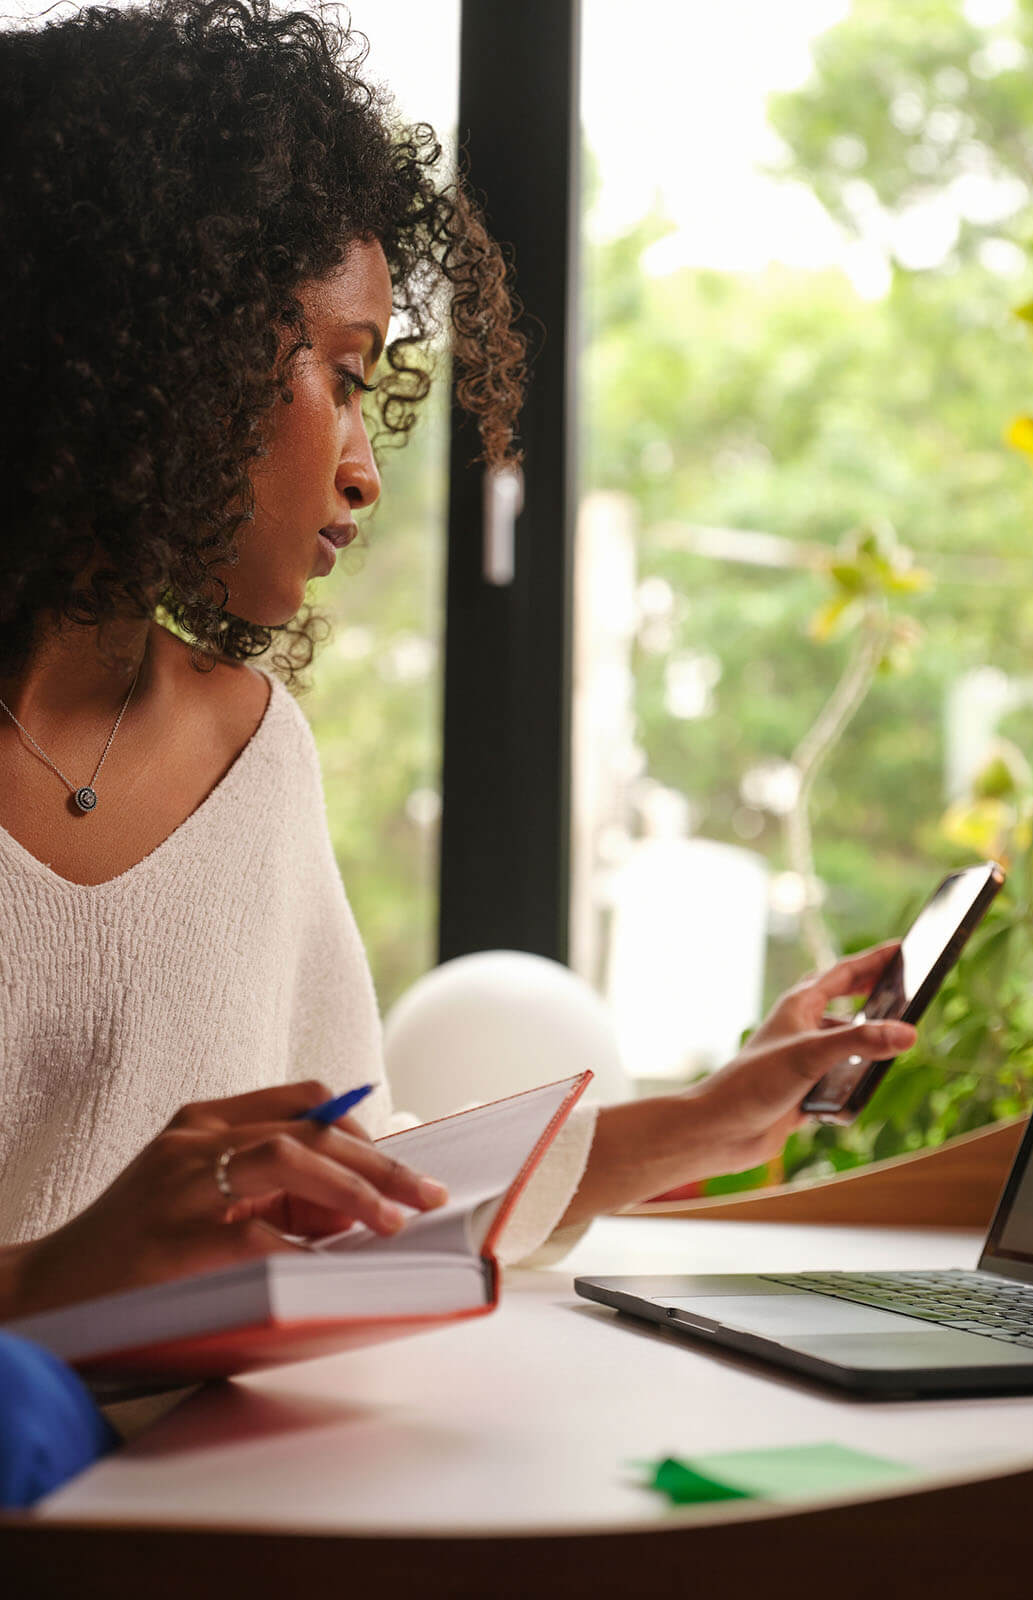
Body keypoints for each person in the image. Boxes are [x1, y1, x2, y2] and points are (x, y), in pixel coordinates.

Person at [0, 0, 916, 1335]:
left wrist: (712, 1116)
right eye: (342, 370)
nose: (367, 471)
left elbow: (367, 1181)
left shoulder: (256, 754)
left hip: (239, 1506)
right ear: (155, 350)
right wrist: (54, 1284)